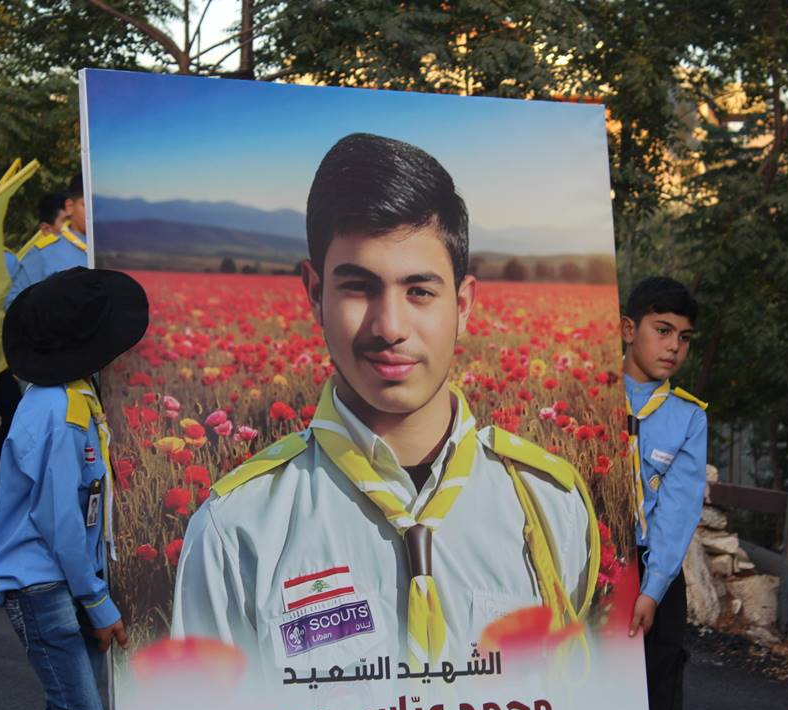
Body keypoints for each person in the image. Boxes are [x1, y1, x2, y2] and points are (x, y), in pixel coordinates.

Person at [172, 133, 600, 678]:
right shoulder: (238, 530)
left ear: (463, 304)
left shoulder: (551, 505)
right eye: (358, 287)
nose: (390, 327)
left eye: (420, 291)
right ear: (314, 293)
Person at [0, 266, 148, 710]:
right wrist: (97, 601)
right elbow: (60, 522)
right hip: (44, 584)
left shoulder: (77, 398)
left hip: (71, 578)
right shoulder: (57, 413)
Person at [620, 275, 708, 710]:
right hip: (587, 565)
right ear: (629, 329)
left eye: (684, 336)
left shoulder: (687, 417)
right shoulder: (589, 395)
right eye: (663, 330)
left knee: (656, 709)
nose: (674, 346)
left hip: (654, 572)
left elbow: (678, 510)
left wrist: (652, 589)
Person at [6, 176, 86, 308]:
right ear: (70, 206)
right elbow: (14, 305)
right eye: (88, 205)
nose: (97, 212)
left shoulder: (116, 250)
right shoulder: (45, 252)